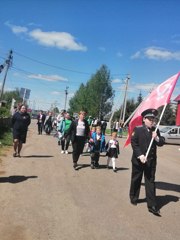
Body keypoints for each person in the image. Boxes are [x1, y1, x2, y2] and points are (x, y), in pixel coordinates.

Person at [129, 108, 164, 216]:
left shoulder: (155, 130)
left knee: (150, 182)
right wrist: (140, 155)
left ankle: (152, 205)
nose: (152, 121)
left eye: (153, 119)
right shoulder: (138, 129)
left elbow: (161, 142)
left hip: (151, 162)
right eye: (150, 119)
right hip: (138, 161)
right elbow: (134, 143)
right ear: (144, 119)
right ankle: (134, 197)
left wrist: (157, 138)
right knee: (136, 179)